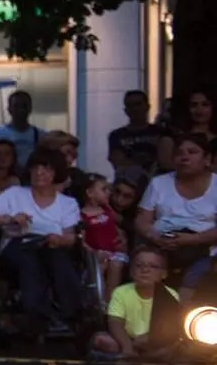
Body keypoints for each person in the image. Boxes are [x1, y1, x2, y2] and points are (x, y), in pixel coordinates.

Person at [0, 150, 85, 340]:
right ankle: (37, 315)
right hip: (18, 244)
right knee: (29, 260)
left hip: (52, 246)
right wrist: (9, 219)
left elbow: (71, 237)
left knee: (57, 257)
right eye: (36, 168)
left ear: (56, 173)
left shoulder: (68, 204)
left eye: (46, 169)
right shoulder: (15, 194)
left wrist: (58, 239)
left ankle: (72, 315)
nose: (39, 173)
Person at [136, 132, 217, 289]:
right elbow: (142, 220)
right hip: (162, 244)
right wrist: (155, 237)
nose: (184, 157)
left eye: (192, 152)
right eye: (179, 153)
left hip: (205, 248)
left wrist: (193, 239)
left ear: (207, 159)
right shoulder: (158, 183)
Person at [93, 247, 180, 359]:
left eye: (153, 266)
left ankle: (138, 356)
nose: (145, 270)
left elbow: (167, 329)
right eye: (139, 266)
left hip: (152, 341)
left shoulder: (171, 294)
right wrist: (127, 346)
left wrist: (147, 338)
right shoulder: (121, 292)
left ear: (163, 274)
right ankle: (135, 355)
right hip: (126, 339)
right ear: (131, 272)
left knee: (176, 346)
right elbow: (115, 323)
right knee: (101, 339)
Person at [78, 172, 129, 295]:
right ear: (89, 193)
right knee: (100, 268)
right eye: (104, 189)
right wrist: (95, 253)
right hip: (97, 256)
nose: (109, 192)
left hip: (115, 252)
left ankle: (110, 303)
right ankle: (98, 303)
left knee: (115, 265)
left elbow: (119, 227)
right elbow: (81, 241)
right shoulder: (81, 216)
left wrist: (122, 238)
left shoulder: (107, 210)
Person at [108, 89, 168, 190]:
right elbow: (118, 162)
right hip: (127, 190)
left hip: (157, 187)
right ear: (126, 110)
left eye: (138, 104)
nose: (135, 109)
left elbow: (165, 161)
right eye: (130, 105)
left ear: (147, 107)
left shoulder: (161, 133)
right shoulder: (117, 135)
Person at [0, 91, 42, 164]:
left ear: (30, 109)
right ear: (9, 109)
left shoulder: (40, 135)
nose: (20, 110)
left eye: (24, 106)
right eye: (16, 106)